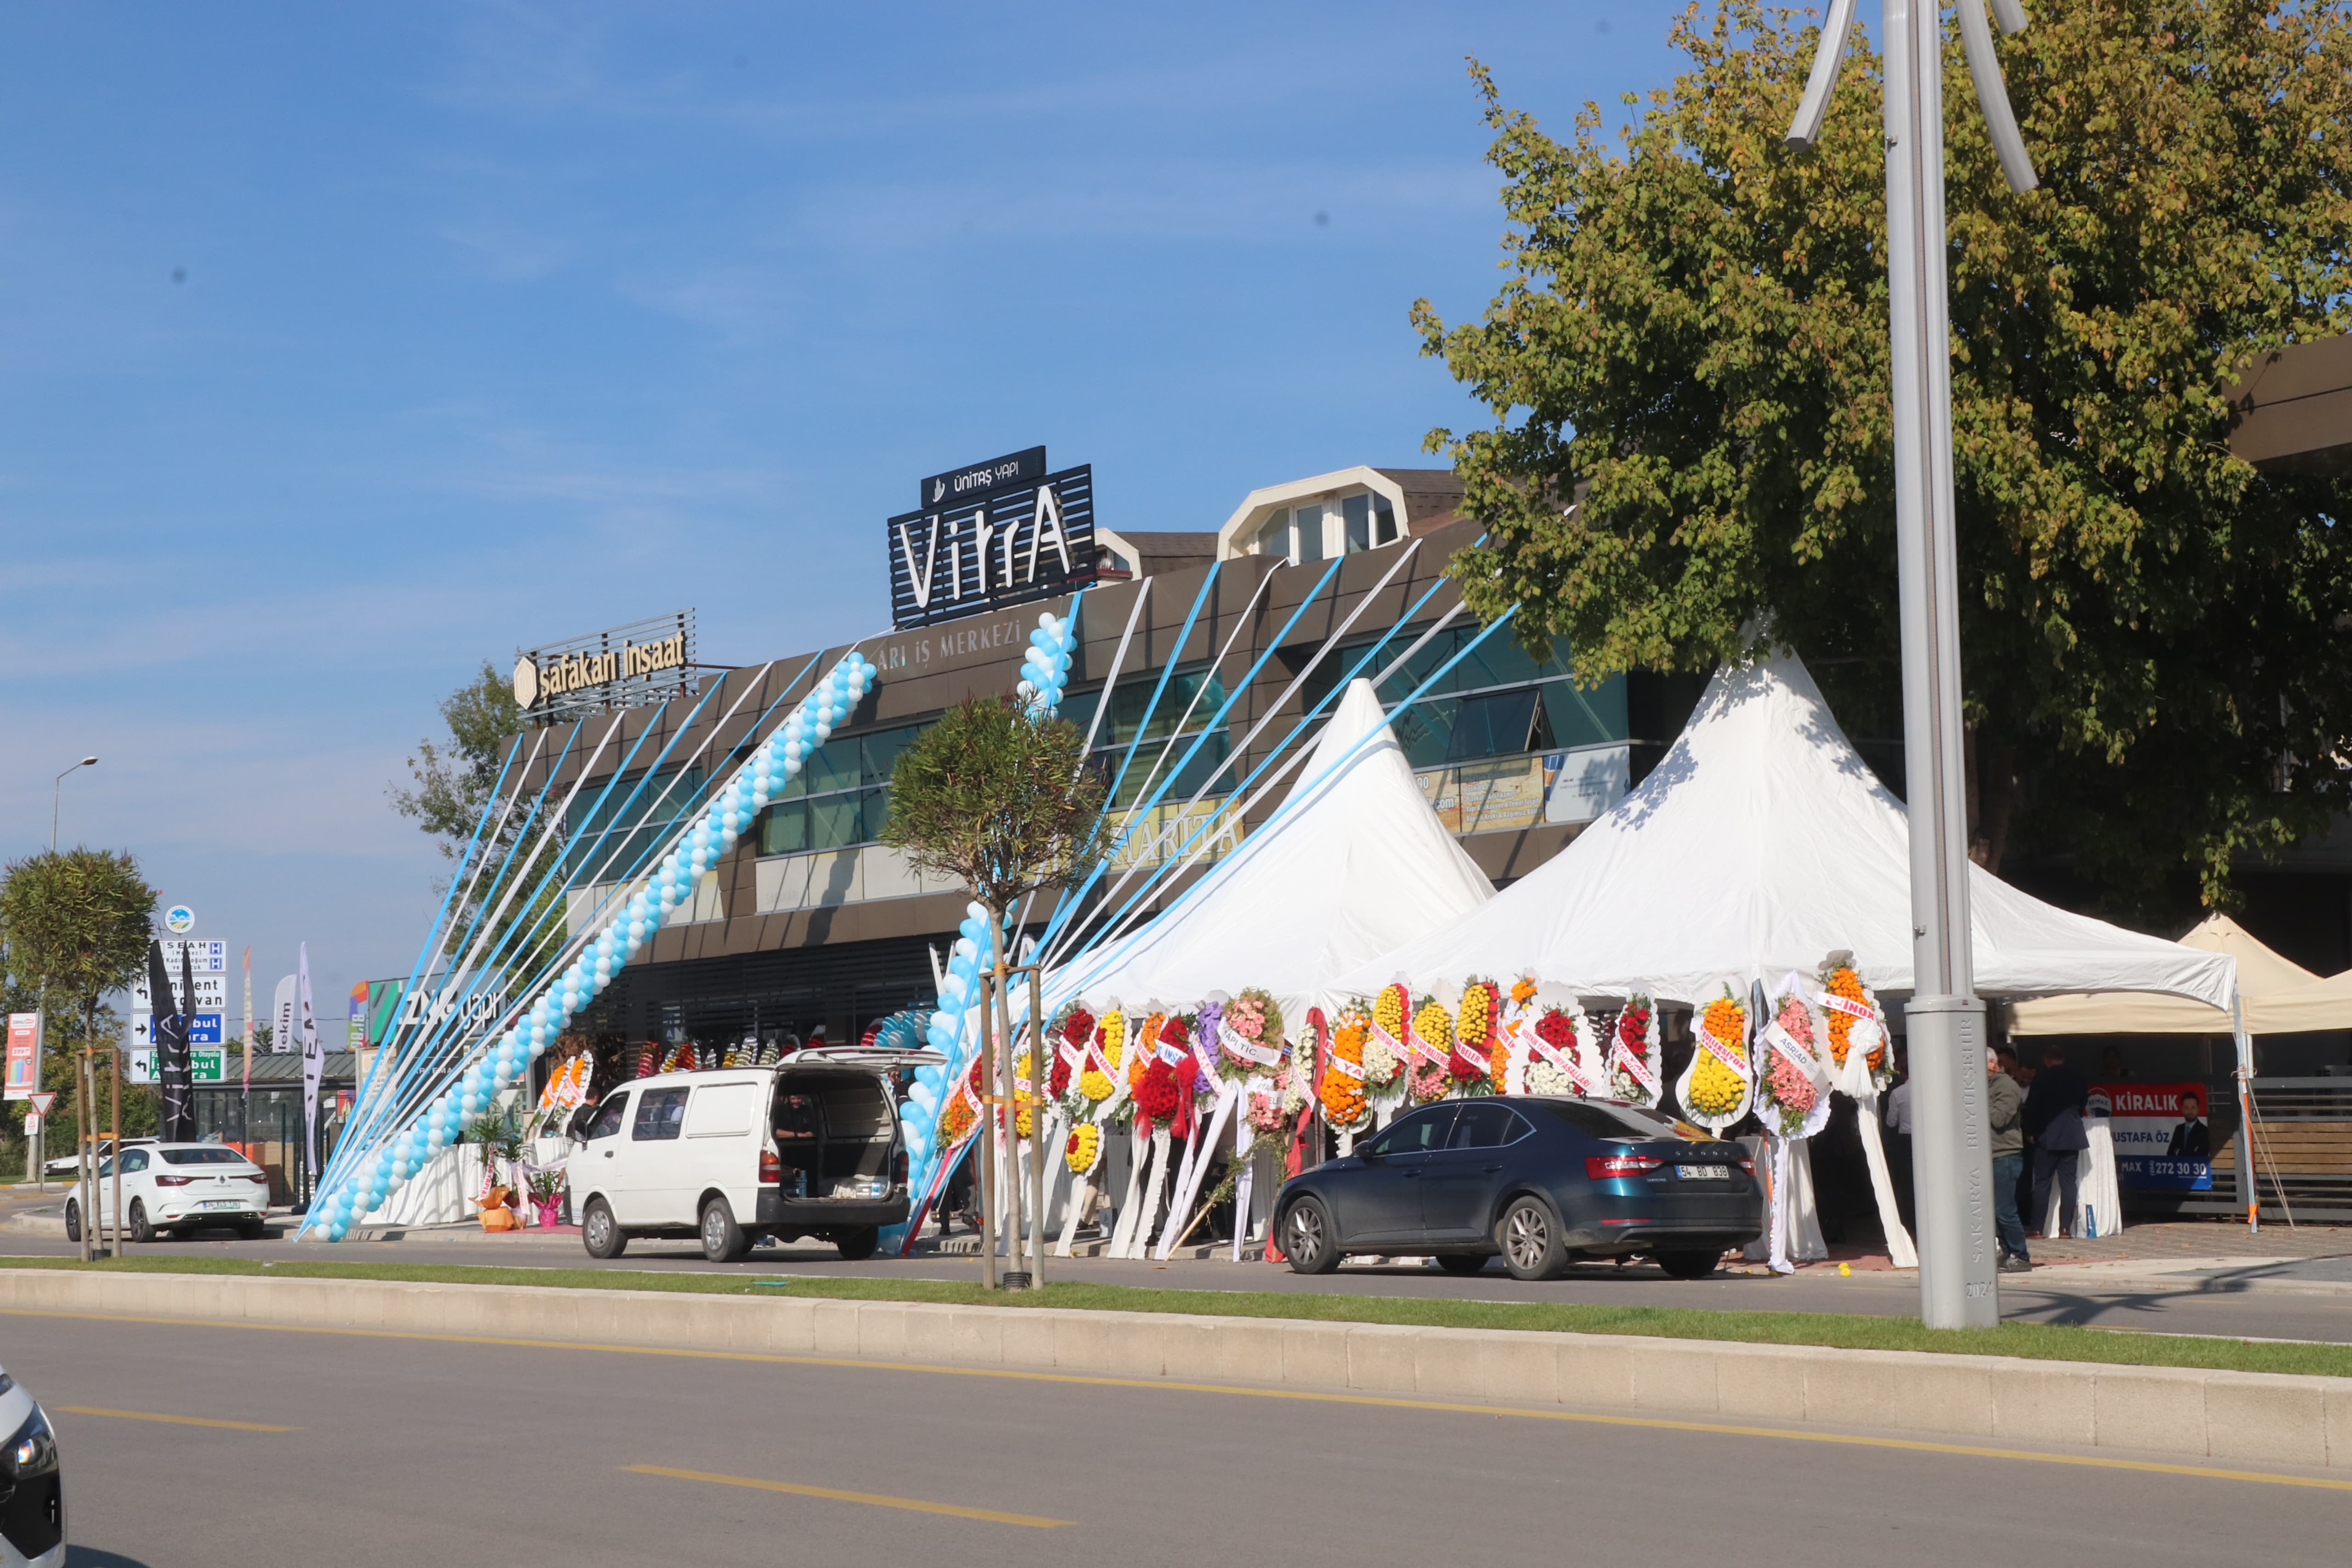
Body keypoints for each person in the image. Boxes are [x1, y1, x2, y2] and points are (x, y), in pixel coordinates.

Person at [2024, 1043, 2090, 1238]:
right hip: (2071, 1136)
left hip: (2047, 1137)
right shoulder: (2077, 1077)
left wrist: (2029, 1132)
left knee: (2042, 1183)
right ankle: (2065, 1229)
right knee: (2069, 1182)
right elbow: (2083, 1102)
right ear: (2063, 1059)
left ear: (2046, 1060)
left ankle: (2037, 1228)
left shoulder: (2042, 1079)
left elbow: (2031, 1108)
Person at [1986, 1046, 2030, 1271]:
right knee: (1994, 1211)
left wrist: (1977, 1098)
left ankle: (2021, 1255)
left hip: (2005, 1155)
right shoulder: (1987, 1087)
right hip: (1989, 1156)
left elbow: (2000, 1118)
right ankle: (2005, 1251)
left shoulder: (2007, 1087)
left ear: (1992, 1064)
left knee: (2005, 1209)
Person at [1883, 1050, 1915, 1229]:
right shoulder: (1930, 1089)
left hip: (1905, 1142)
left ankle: (1909, 1225)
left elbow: (1891, 1121)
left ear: (1903, 1073)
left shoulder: (1898, 1093)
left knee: (1906, 1184)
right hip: (1927, 1141)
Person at [2167, 1090, 2211, 1159]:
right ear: (2182, 1110)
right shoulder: (2179, 1129)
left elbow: (2201, 1155)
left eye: (2193, 1108)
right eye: (2187, 1108)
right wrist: (2189, 1153)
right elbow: (2170, 1154)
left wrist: (2178, 1152)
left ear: (2198, 1109)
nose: (2190, 1111)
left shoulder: (2204, 1131)